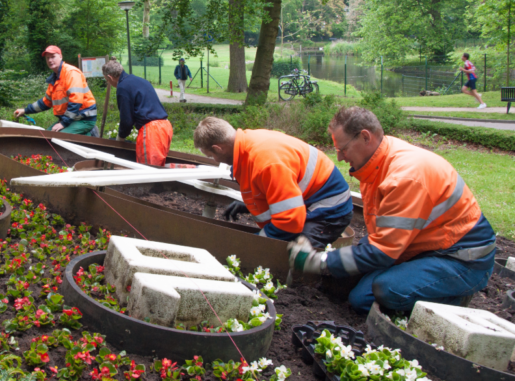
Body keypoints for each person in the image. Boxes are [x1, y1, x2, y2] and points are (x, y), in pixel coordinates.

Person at [288, 107, 496, 314]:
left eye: (343, 149)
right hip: (423, 247)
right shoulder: (377, 163)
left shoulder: (405, 176)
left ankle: (452, 300)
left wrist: (317, 262)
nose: (340, 157)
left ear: (365, 137)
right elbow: (382, 236)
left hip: (462, 259)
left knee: (382, 293)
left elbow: (382, 252)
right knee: (354, 291)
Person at [193, 117, 353, 247]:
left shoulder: (266, 162)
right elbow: (276, 191)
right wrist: (250, 205)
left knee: (294, 254)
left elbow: (289, 221)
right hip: (310, 199)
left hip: (330, 206)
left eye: (211, 156)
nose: (214, 160)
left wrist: (253, 245)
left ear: (218, 148)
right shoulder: (247, 146)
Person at [102, 59, 173, 166]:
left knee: (148, 170)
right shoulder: (138, 80)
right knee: (158, 167)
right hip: (165, 126)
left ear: (110, 77)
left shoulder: (123, 87)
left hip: (152, 131)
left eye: (107, 80)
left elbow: (126, 120)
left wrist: (120, 138)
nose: (109, 83)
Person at [14, 45, 97, 135]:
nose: (50, 60)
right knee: (45, 137)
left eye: (53, 57)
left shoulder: (71, 73)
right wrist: (25, 110)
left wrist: (63, 123)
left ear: (60, 57)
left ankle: (89, 134)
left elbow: (75, 101)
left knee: (56, 138)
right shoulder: (54, 79)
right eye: (47, 58)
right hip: (71, 119)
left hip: (83, 119)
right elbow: (45, 102)